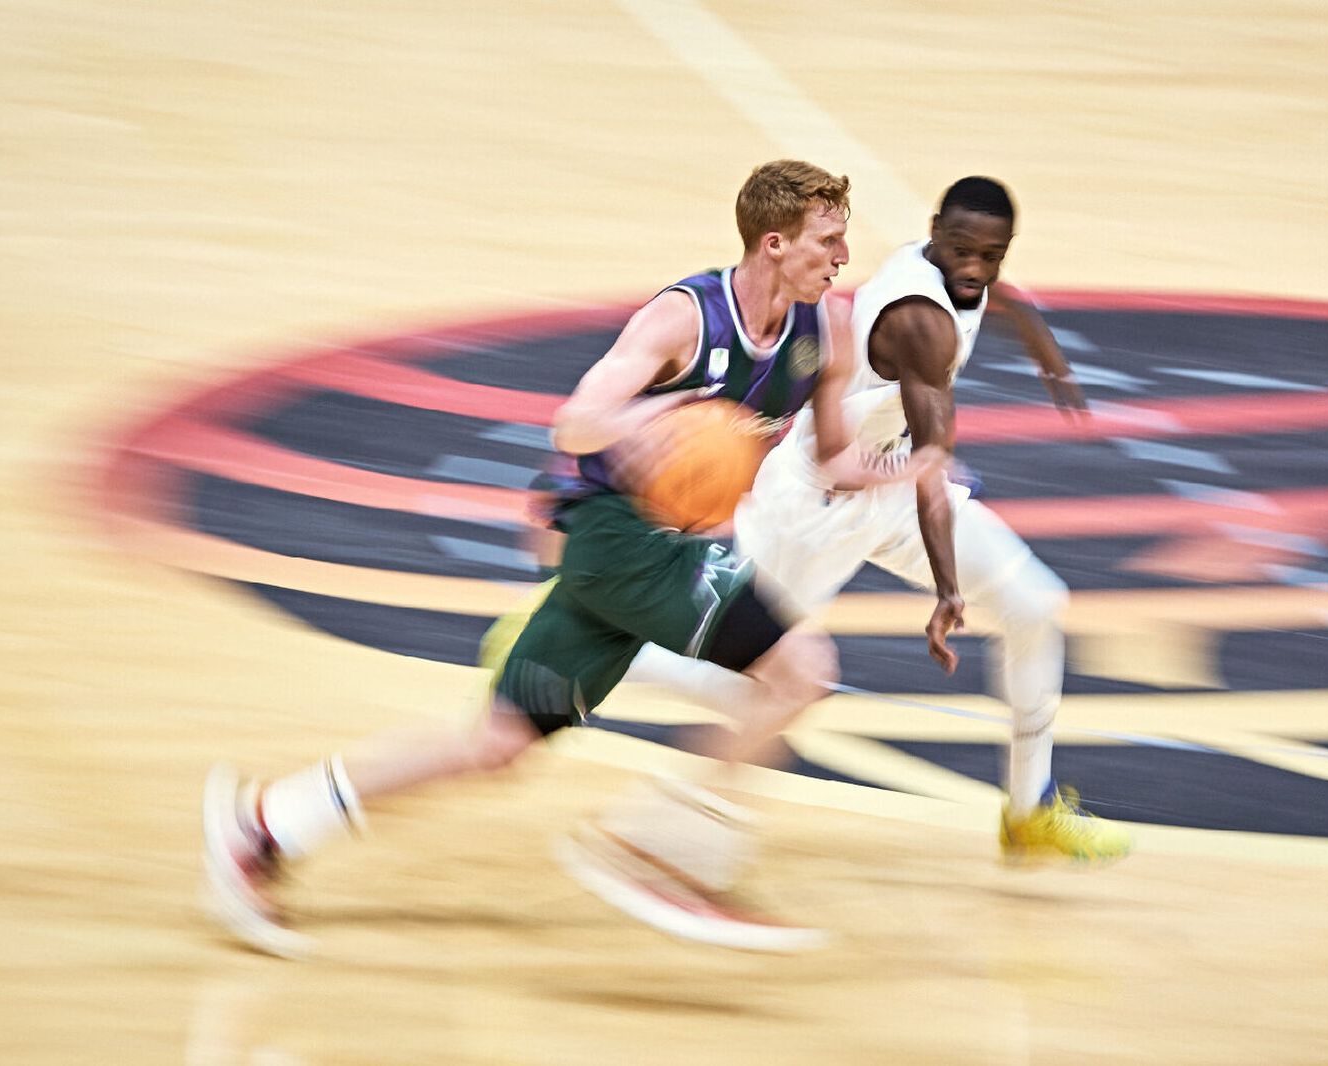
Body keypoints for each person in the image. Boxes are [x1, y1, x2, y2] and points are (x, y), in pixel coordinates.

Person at [201, 159, 937, 959]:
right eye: (827, 241)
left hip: (661, 549)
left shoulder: (819, 333)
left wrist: (911, 467)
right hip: (618, 539)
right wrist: (657, 418)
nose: (840, 257)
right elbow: (576, 422)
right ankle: (665, 849)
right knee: (799, 668)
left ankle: (267, 826)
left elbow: (831, 457)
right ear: (773, 243)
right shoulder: (683, 319)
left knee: (495, 744)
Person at [629, 176, 1132, 862]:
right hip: (819, 502)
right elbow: (932, 471)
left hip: (888, 482)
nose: (976, 268)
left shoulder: (957, 266)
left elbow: (992, 292)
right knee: (758, 675)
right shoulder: (920, 323)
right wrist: (949, 592)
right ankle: (607, 650)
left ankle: (1029, 810)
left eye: (992, 255)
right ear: (935, 234)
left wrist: (1042, 345)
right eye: (963, 251)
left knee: (1036, 603)